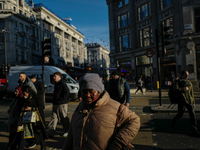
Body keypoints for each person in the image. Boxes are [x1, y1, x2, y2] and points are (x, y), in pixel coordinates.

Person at [62, 73, 140, 150]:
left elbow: (135, 120)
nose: (87, 95)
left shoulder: (116, 107)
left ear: (99, 91)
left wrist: (118, 143)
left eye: (91, 91)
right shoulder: (79, 109)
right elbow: (70, 137)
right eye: (84, 92)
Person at [172, 70, 199, 135]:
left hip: (189, 101)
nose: (187, 76)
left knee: (193, 116)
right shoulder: (178, 82)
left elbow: (191, 93)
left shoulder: (189, 83)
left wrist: (193, 102)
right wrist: (184, 89)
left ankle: (194, 130)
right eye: (186, 75)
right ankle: (173, 121)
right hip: (182, 101)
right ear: (182, 75)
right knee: (180, 114)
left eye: (188, 75)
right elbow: (175, 89)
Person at [21, 85, 48, 150]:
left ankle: (43, 146)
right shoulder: (26, 98)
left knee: (40, 132)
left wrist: (32, 108)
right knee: (31, 131)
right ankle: (32, 143)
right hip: (29, 118)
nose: (25, 94)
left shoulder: (37, 97)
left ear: (28, 92)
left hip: (38, 118)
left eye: (25, 93)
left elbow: (41, 107)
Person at [48, 72, 70, 138]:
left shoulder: (62, 83)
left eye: (55, 76)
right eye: (53, 76)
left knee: (63, 117)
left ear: (59, 77)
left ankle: (67, 131)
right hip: (55, 103)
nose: (53, 77)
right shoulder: (56, 84)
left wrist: (61, 100)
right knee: (53, 118)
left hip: (61, 104)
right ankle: (51, 131)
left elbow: (67, 93)